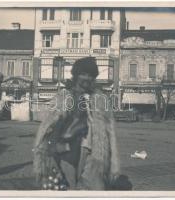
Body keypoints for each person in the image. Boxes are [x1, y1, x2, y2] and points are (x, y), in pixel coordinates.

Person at [33, 57, 120, 190]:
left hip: (94, 153)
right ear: (76, 75)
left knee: (95, 189)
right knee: (68, 190)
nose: (87, 78)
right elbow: (47, 126)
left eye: (90, 75)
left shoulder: (101, 99)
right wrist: (42, 152)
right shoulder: (64, 96)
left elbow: (111, 132)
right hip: (67, 151)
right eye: (83, 74)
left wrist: (114, 162)